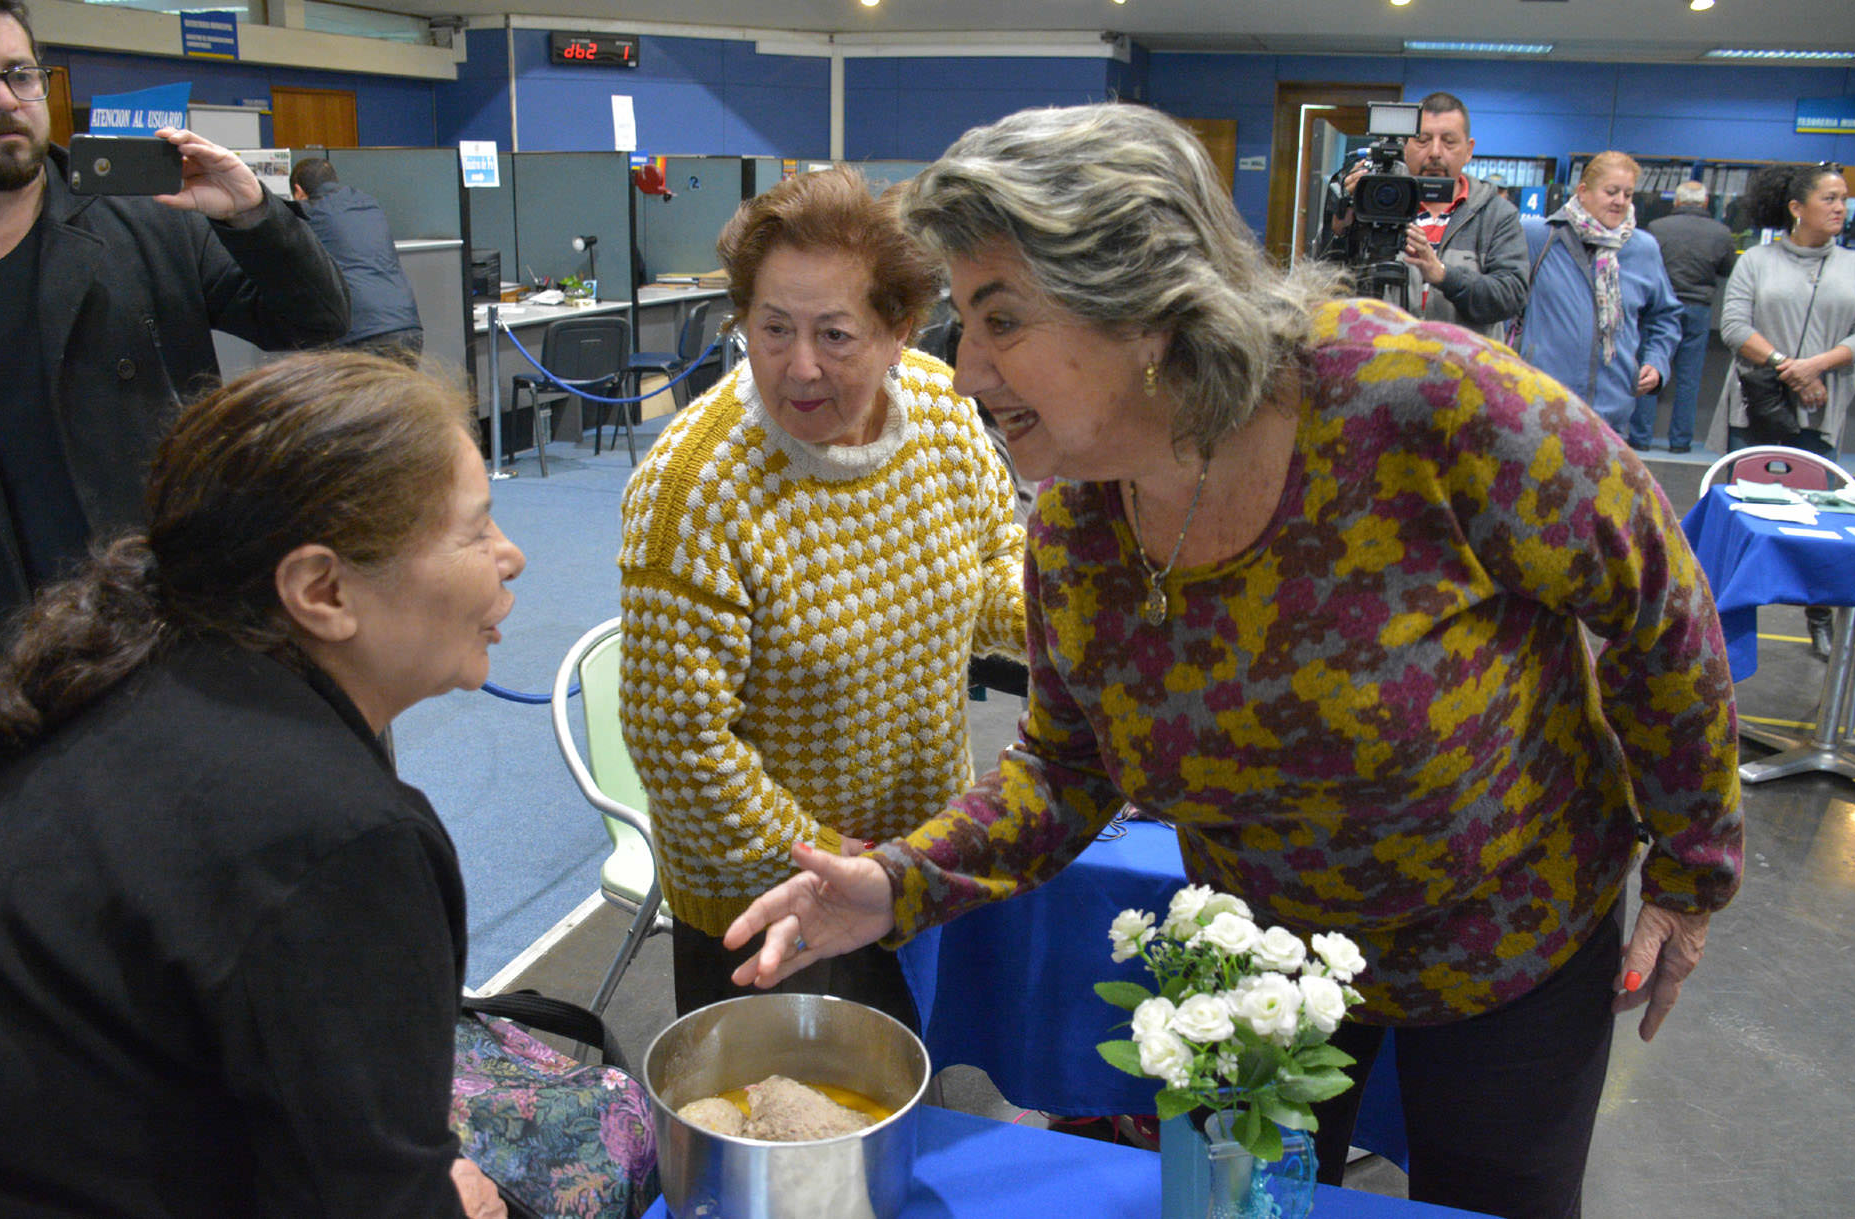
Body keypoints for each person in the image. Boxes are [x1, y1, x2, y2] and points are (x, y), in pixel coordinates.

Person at [723, 104, 1743, 1219]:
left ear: (1146, 309)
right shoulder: (1078, 526)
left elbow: (1659, 606)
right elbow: (1066, 766)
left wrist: (1689, 873)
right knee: (1229, 1206)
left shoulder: (1422, 403)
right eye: (966, 320)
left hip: (1506, 937)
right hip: (1257, 968)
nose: (964, 371)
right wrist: (896, 881)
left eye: (1000, 317)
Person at [0, 351, 522, 1217]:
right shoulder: (336, 837)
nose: (511, 556)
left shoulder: (104, 682)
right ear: (321, 589)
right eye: (475, 530)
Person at [616, 165, 1027, 1029]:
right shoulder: (695, 487)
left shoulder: (942, 415)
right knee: (796, 1135)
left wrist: (1086, 619)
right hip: (776, 895)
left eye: (835, 335)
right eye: (772, 329)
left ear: (899, 329)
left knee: (906, 1099)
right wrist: (819, 859)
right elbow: (676, 737)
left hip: (915, 854)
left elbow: (991, 571)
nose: (798, 366)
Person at [0, 0, 350, 730]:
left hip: (170, 611)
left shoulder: (142, 217)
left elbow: (311, 319)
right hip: (10, 639)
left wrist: (249, 213)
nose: (4, 99)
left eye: (19, 74)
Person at [1704, 162, 1855, 661]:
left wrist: (1818, 366)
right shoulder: (1756, 260)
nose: (1841, 207)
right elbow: (1735, 326)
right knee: (1741, 516)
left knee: (1821, 521)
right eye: (1830, 198)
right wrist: (1789, 368)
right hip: (1753, 410)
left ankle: (1819, 617)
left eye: (1844, 198)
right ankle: (1720, 625)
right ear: (1797, 208)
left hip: (1819, 412)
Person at [1317, 91, 1530, 339]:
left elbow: (1511, 297)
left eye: (1449, 141)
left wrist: (1443, 275)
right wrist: (1340, 227)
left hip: (1461, 373)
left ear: (1469, 150)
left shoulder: (1496, 214)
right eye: (1422, 140)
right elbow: (1322, 285)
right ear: (1405, 145)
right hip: (1381, 366)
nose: (1435, 152)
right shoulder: (1370, 204)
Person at [1517, 150, 1683, 438]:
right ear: (1583, 192)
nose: (1620, 201)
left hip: (1611, 412)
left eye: (1628, 194)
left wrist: (1656, 362)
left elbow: (1666, 316)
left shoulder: (1643, 249)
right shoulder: (1539, 237)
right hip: (1541, 405)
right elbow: (1504, 300)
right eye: (1611, 191)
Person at [1629, 180, 1737, 453]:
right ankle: (1681, 442)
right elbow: (1727, 270)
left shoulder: (1656, 229)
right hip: (1699, 309)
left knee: (1648, 371)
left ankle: (1640, 437)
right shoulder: (1722, 233)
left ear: (1676, 202)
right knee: (1689, 378)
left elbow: (1645, 267)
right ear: (1705, 202)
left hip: (1658, 309)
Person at [291, 156, 426, 360]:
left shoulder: (307, 213)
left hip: (361, 333)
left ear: (299, 191)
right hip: (405, 324)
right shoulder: (369, 205)